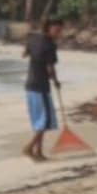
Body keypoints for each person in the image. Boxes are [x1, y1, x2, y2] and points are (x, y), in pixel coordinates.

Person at [22, 17, 62, 161]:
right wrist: (56, 81)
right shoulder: (50, 45)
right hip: (41, 87)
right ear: (49, 28)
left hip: (30, 86)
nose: (58, 33)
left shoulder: (34, 39)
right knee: (45, 121)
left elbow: (24, 54)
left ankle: (38, 152)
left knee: (39, 120)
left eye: (60, 30)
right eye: (56, 29)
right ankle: (29, 147)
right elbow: (50, 68)